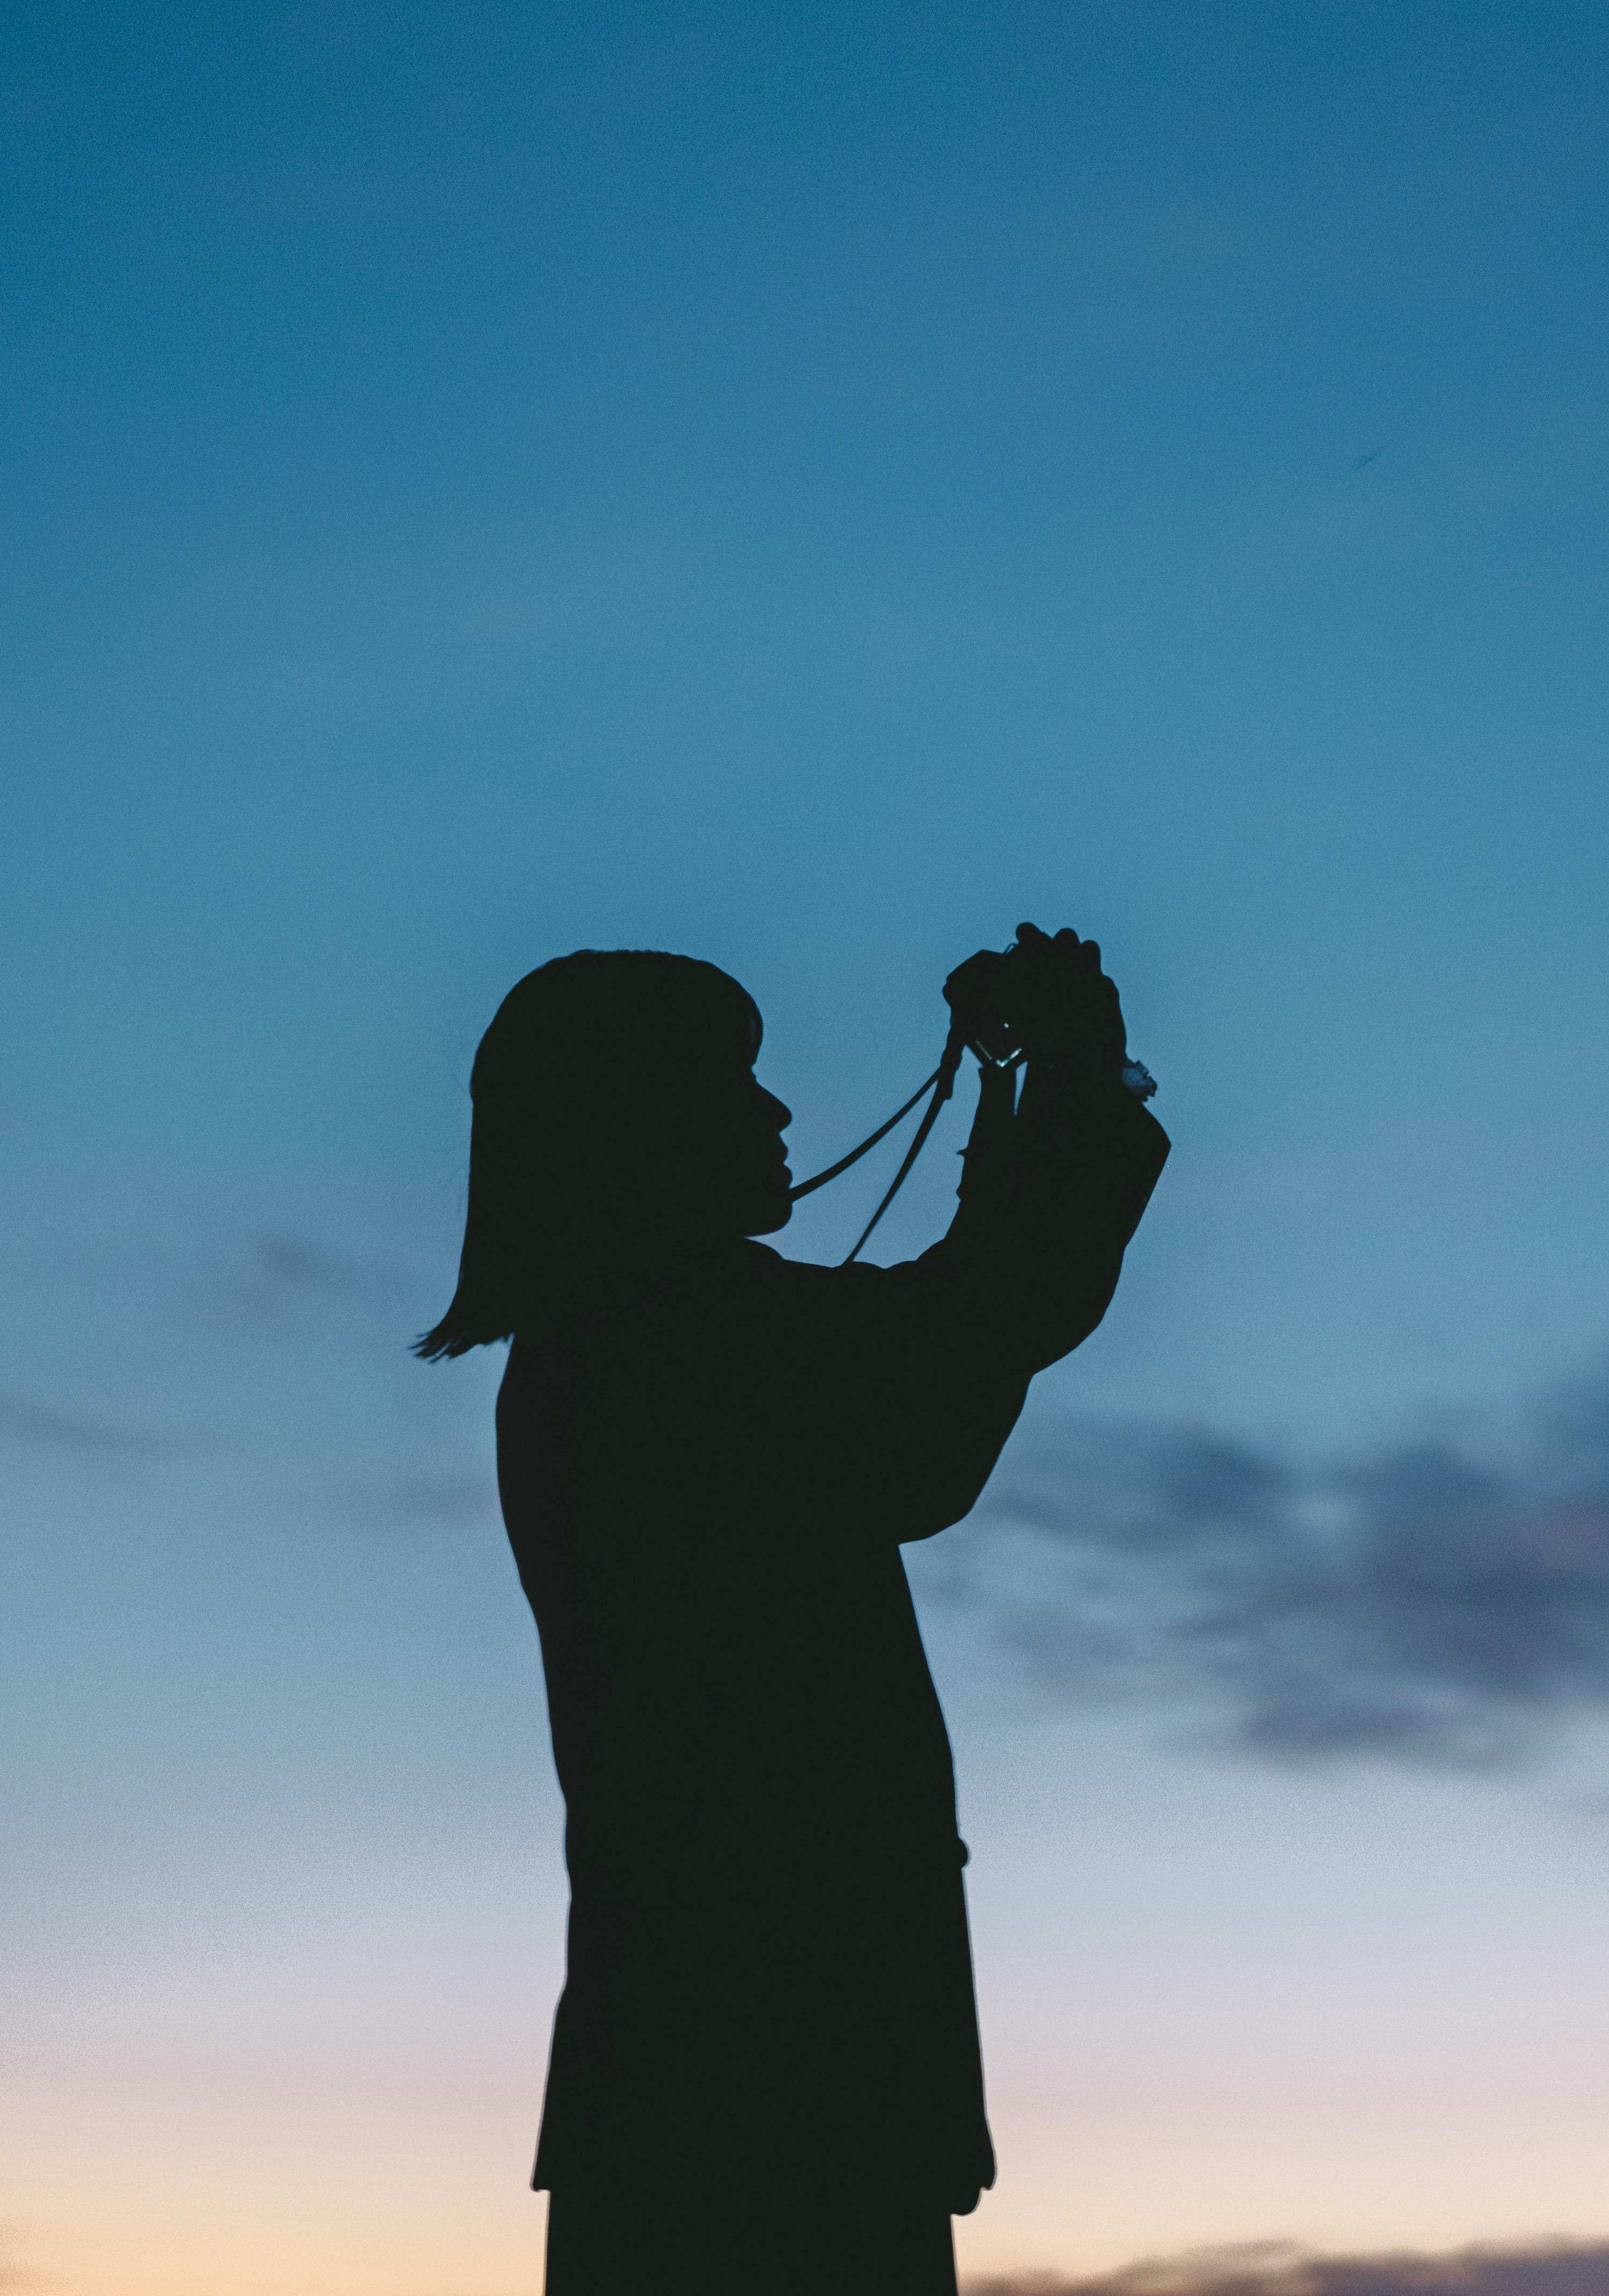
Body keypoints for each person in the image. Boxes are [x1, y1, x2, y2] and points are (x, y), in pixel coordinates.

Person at [417, 924, 1170, 2296]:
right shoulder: (662, 1330)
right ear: (635, 1124)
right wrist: (1070, 1069)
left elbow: (926, 1442)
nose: (774, 1111)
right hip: (769, 2072)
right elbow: (989, 1316)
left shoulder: (624, 1338)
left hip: (723, 2071)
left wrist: (1030, 1105)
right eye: (732, 1082)